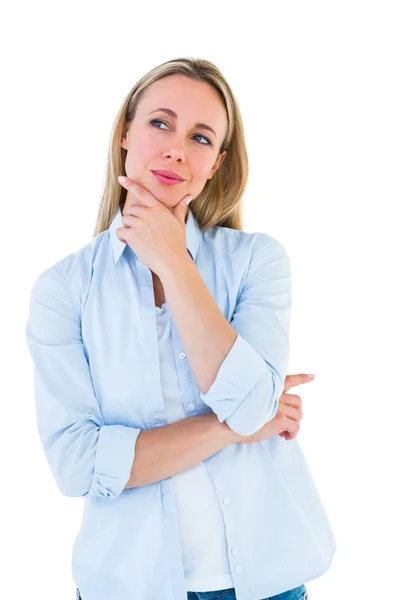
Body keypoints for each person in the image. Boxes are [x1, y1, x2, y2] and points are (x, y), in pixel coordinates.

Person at [25, 57, 336, 600]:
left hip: (267, 582)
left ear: (215, 164)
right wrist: (236, 426)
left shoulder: (256, 261)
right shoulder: (64, 289)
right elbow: (76, 465)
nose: (175, 149)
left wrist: (174, 262)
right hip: (126, 585)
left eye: (200, 137)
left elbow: (249, 409)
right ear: (126, 133)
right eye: (160, 123)